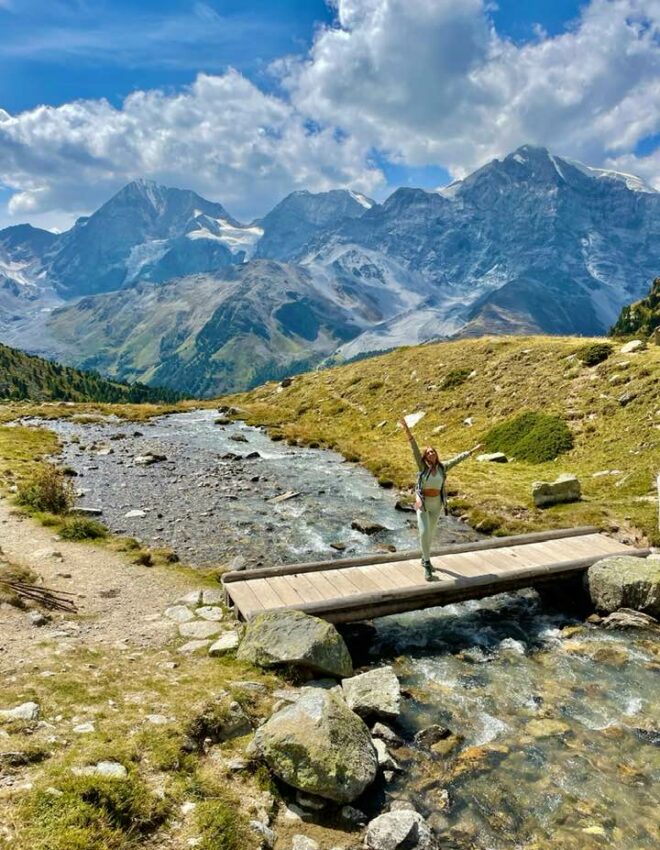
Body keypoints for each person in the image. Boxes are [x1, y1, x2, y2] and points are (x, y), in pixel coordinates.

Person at [399, 418, 481, 581]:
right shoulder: (422, 467)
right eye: (428, 452)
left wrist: (473, 450)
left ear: (436, 455)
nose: (431, 453)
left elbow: (458, 459)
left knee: (430, 534)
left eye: (433, 451)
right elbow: (414, 448)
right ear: (425, 457)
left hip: (437, 503)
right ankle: (427, 564)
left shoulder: (443, 468)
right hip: (422, 502)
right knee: (423, 532)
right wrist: (407, 430)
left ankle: (424, 557)